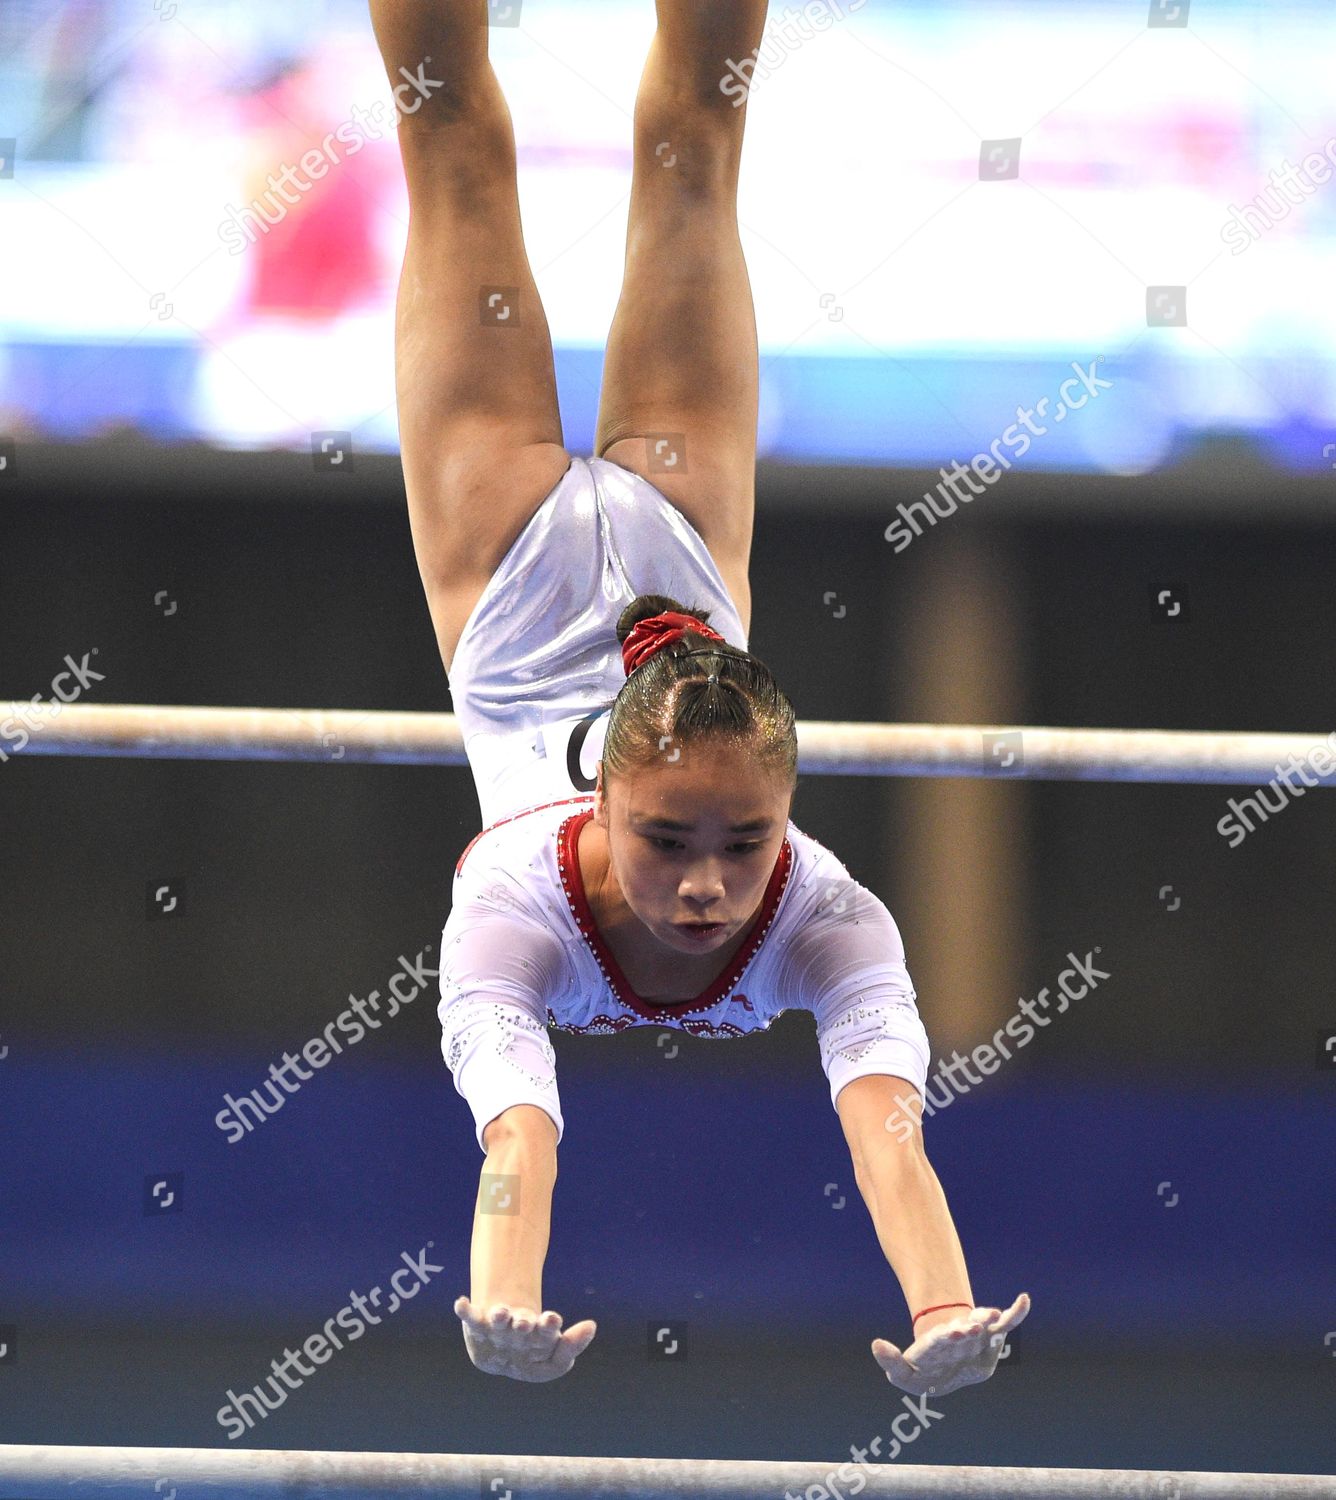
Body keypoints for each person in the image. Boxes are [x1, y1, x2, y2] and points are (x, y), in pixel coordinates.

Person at [368, 0, 1028, 1391]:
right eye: (673, 839)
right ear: (603, 799)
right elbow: (881, 1132)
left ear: (789, 812)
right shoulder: (826, 923)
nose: (714, 886)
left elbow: (515, 1138)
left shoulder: (517, 915)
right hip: (682, 527)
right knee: (696, 142)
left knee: (452, 144)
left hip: (498, 571)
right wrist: (944, 1303)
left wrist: (502, 1292)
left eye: (744, 841)